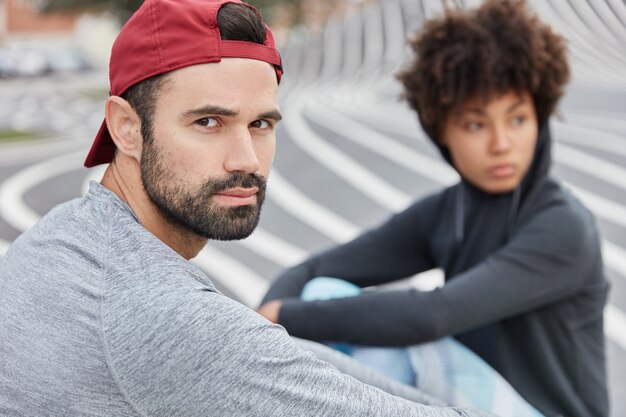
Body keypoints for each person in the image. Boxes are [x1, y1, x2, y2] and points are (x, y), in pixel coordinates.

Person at [0, 1, 493, 416]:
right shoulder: (159, 312)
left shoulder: (61, 238)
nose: (248, 160)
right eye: (209, 121)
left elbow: (291, 362)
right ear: (126, 128)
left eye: (261, 124)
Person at [258, 1, 609, 417]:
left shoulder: (562, 225)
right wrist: (266, 326)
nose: (501, 143)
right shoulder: (449, 212)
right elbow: (316, 270)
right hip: (473, 401)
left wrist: (282, 318)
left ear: (540, 117)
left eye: (517, 119)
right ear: (441, 130)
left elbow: (432, 316)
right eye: (476, 124)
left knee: (393, 339)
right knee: (323, 294)